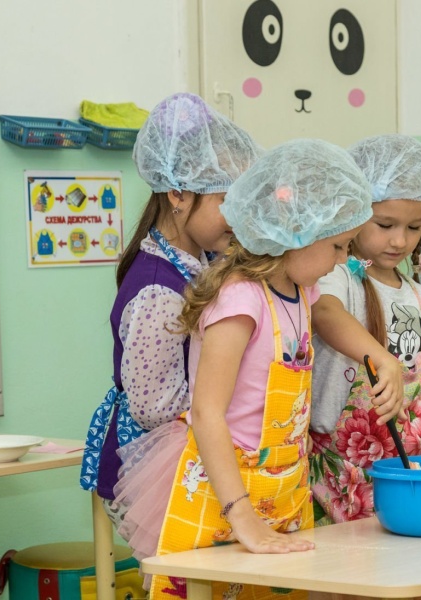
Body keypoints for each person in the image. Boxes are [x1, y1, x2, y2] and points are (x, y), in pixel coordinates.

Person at [110, 138, 373, 600]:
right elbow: (207, 412)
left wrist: (379, 358)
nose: (342, 259)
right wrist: (242, 514)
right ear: (295, 232)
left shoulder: (299, 290)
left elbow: (327, 316)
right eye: (337, 245)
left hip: (281, 485)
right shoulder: (239, 299)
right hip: (223, 490)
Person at [79, 92, 261, 525]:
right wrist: (225, 392)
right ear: (178, 193)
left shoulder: (204, 261)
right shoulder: (158, 292)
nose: (239, 217)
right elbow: (153, 408)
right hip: (154, 467)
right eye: (228, 201)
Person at [309, 134, 421, 525]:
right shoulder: (336, 276)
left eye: (414, 227)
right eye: (384, 224)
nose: (400, 240)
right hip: (335, 474)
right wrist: (383, 358)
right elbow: (324, 312)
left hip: (402, 474)